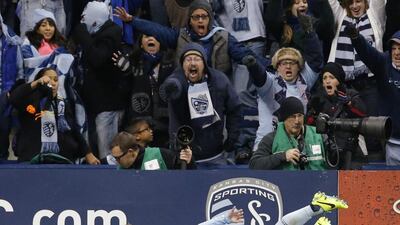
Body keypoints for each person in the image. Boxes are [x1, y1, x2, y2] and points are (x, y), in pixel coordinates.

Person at [114, 0, 265, 78]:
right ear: (190, 20)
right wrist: (132, 20)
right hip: (188, 86)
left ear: (210, 19)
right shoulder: (181, 35)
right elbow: (157, 30)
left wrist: (270, 64)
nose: (200, 20)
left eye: (204, 17)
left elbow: (243, 53)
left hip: (215, 88)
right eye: (196, 17)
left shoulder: (222, 36)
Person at [160, 42, 241, 167]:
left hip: (216, 156)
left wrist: (232, 137)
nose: (192, 63)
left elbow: (234, 108)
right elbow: (174, 83)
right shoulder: (177, 80)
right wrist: (170, 86)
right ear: (182, 64)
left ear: (204, 63)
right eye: (188, 59)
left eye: (197, 59)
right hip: (185, 157)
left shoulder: (219, 80)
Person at [72, 1, 131, 161]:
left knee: (109, 154)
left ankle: (112, 184)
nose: (82, 24)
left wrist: (82, 34)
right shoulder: (96, 33)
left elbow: (97, 58)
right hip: (94, 104)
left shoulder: (111, 34)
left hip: (108, 106)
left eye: (85, 20)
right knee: (96, 150)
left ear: (96, 21)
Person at [8, 68, 98, 164]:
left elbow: (73, 129)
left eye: (56, 79)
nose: (53, 83)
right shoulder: (28, 101)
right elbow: (14, 98)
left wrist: (88, 153)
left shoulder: (62, 104)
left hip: (60, 159)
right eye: (49, 79)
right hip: (31, 158)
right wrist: (36, 83)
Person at [250, 43, 323, 150]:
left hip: (297, 145)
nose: (288, 66)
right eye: (284, 63)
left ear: (299, 67)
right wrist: (253, 66)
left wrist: (310, 34)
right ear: (277, 66)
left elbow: (316, 59)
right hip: (268, 145)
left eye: (292, 63)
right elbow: (260, 77)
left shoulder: (305, 81)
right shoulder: (271, 82)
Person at [346, 27, 400, 166]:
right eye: (394, 48)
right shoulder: (384, 63)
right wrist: (356, 38)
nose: (397, 53)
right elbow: (368, 53)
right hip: (391, 141)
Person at [112, 34, 176, 148]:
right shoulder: (132, 62)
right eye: (146, 36)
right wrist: (126, 73)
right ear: (141, 44)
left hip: (165, 124)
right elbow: (123, 92)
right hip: (139, 127)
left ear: (161, 42)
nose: (151, 39)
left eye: (155, 37)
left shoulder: (172, 62)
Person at [306, 62, 367, 169]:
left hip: (351, 152)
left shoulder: (351, 94)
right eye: (325, 78)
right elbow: (308, 126)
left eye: (332, 77)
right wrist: (313, 112)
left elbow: (363, 113)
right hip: (327, 152)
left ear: (339, 80)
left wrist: (349, 103)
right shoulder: (318, 99)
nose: (328, 80)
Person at [249, 97, 327, 170]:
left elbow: (335, 160)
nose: (297, 121)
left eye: (300, 116)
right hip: (284, 183)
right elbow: (254, 164)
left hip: (316, 182)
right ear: (284, 119)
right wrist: (283, 156)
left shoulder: (318, 135)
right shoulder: (271, 138)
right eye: (292, 116)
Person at [264, 0, 335, 61]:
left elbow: (328, 24)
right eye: (297, 3)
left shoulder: (314, 24)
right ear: (290, 7)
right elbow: (271, 20)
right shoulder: (284, 28)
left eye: (305, 2)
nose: (302, 5)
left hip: (311, 69)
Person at [0, 13, 24, 160]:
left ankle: (2, 156)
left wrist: (12, 92)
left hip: (5, 92)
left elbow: (20, 72)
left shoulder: (12, 43)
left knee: (3, 128)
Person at [110, 131, 196, 170]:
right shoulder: (120, 170)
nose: (117, 162)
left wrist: (189, 162)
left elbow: (185, 177)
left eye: (118, 158)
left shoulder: (161, 155)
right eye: (115, 158)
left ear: (130, 152)